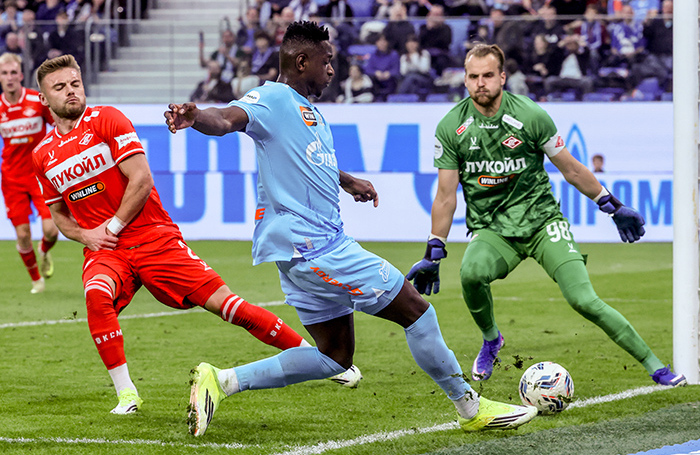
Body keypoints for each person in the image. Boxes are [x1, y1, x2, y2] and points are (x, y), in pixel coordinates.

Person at [165, 20, 538, 438]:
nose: (331, 70)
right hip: (315, 247)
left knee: (335, 356)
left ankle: (222, 381)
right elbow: (226, 118)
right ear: (301, 61)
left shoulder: (306, 111)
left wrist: (347, 181)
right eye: (326, 61)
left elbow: (307, 159)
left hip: (306, 250)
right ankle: (470, 407)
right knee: (417, 311)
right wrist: (196, 117)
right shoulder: (271, 98)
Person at [31, 54, 361, 417]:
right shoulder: (42, 154)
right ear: (44, 98)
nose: (71, 91)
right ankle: (126, 395)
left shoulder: (107, 119)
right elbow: (58, 214)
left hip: (152, 236)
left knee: (228, 306)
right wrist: (87, 237)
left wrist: (109, 228)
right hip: (106, 250)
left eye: (75, 84)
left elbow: (141, 180)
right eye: (60, 87)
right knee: (96, 297)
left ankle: (319, 359)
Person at [407, 43, 687, 389]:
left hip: (543, 222)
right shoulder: (451, 127)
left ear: (502, 77)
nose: (480, 83)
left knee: (584, 300)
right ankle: (492, 339)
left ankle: (656, 367)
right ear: (464, 80)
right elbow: (446, 195)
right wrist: (434, 249)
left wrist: (611, 204)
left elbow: (571, 169)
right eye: (473, 76)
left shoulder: (530, 115)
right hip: (494, 230)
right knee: (471, 274)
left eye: (488, 75)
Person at [0, 52, 58, 294]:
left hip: (39, 176)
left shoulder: (36, 100)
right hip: (12, 179)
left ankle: (44, 251)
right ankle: (37, 280)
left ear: (21, 75)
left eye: (13, 72)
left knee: (51, 230)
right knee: (23, 234)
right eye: (4, 73)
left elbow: (59, 125)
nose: (9, 77)